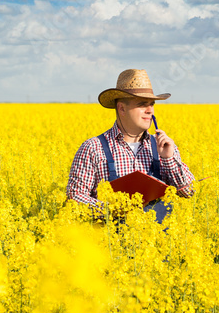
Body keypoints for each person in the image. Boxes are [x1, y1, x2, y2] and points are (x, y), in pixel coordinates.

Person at [66, 69, 194, 220]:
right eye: (142, 104)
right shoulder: (93, 148)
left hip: (157, 241)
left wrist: (168, 158)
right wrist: (111, 209)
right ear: (122, 108)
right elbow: (75, 198)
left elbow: (188, 192)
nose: (150, 111)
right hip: (110, 240)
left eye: (152, 105)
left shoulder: (163, 147)